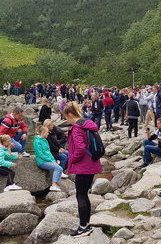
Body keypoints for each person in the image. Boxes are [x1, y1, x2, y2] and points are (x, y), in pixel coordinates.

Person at [63, 102, 102, 238]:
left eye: (66, 118)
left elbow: (79, 148)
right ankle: (87, 224)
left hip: (83, 166)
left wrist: (71, 160)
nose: (66, 120)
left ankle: (83, 227)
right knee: (85, 194)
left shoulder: (77, 128)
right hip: (92, 164)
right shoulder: (88, 124)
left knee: (80, 195)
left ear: (69, 115)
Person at [34, 126, 67, 192]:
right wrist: (51, 161)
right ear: (43, 133)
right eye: (47, 132)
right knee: (58, 168)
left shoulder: (45, 140)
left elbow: (49, 152)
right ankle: (53, 185)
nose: (48, 134)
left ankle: (55, 184)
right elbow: (40, 154)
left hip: (48, 160)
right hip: (42, 162)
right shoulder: (37, 142)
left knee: (59, 168)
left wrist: (53, 160)